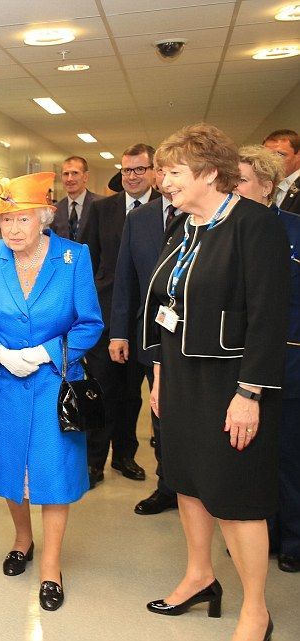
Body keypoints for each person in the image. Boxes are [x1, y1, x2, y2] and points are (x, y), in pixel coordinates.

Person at [143, 124, 290, 641]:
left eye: (175, 172)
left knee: (235, 492)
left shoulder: (255, 225)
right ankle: (200, 575)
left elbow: (269, 318)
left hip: (232, 381)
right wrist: (160, 375)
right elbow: (167, 305)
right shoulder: (183, 227)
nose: (165, 182)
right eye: (163, 172)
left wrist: (250, 394)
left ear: (209, 173)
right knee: (187, 480)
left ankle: (256, 608)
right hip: (181, 375)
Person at [0, 172, 103, 612]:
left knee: (52, 472)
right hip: (4, 381)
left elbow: (90, 324)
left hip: (54, 382)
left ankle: (51, 566)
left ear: (44, 217)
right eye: (5, 220)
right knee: (10, 467)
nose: (14, 230)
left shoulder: (73, 257)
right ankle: (23, 539)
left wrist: (44, 353)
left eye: (23, 219)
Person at [235, 144, 300, 574]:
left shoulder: (292, 229)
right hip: (236, 362)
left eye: (240, 180)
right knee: (248, 453)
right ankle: (261, 531)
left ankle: (293, 536)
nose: (232, 188)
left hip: (288, 360)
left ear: (267, 186)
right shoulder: (220, 231)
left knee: (288, 453)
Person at [80, 143, 159, 488]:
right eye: (127, 170)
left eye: (140, 169)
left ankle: (124, 455)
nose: (132, 176)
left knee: (133, 394)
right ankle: (93, 462)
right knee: (102, 390)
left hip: (152, 321)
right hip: (107, 316)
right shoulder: (102, 210)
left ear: (155, 171)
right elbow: (87, 262)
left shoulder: (169, 208)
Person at [110, 168, 185, 516]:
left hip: (197, 339)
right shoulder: (139, 219)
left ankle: (196, 487)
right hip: (149, 336)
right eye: (166, 173)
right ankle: (167, 486)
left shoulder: (204, 215)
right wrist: (119, 332)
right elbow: (124, 278)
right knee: (159, 414)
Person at [50, 156, 97, 241]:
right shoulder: (55, 210)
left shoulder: (100, 205)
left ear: (85, 176)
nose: (69, 179)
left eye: (75, 173)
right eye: (66, 174)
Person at [263, 129, 300, 214]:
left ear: (298, 155)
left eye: (280, 155)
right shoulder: (262, 183)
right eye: (266, 155)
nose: (272, 161)